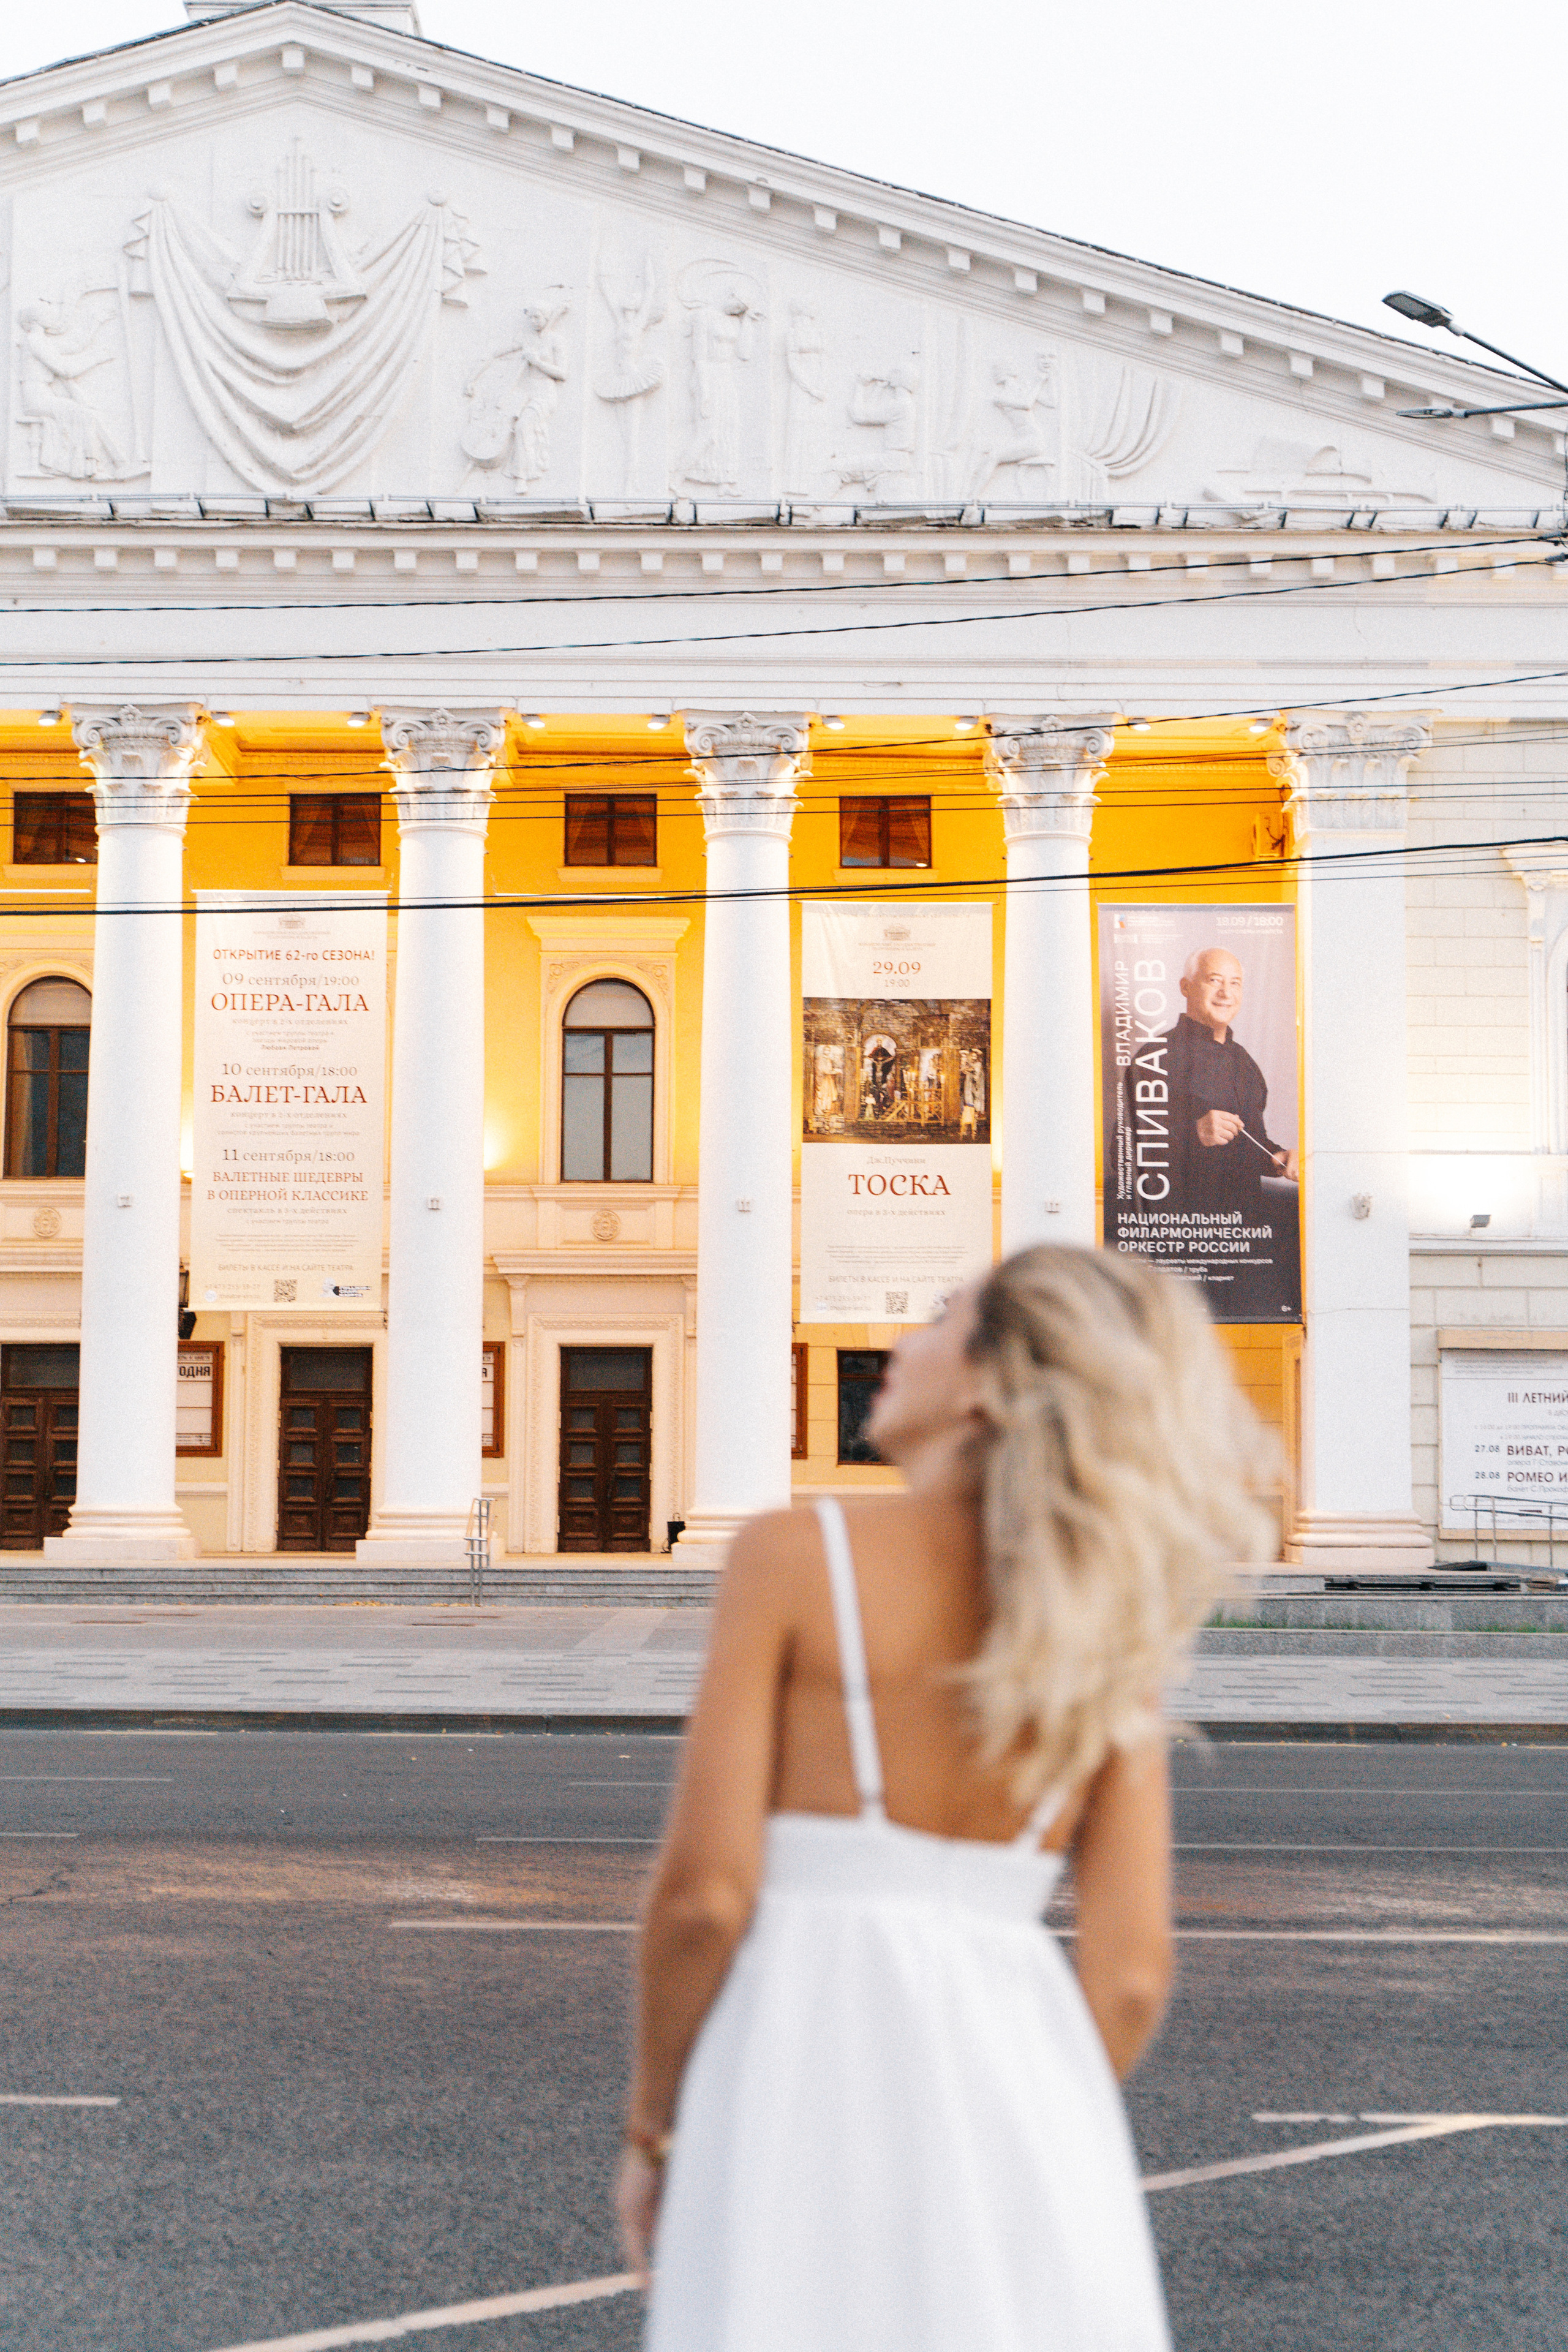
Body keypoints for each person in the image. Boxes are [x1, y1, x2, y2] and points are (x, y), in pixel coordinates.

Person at [616, 1244, 1272, 2350]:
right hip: (1020, 2103)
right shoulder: (1109, 1620)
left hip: (796, 2066)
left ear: (983, 1382)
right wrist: (1019, 2120)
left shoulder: (794, 1554)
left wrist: (655, 2132)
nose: (899, 1344)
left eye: (934, 1320)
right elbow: (1129, 1975)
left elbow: (706, 1899)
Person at [1133, 946, 1298, 1219]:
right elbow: (1123, 1151)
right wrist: (1194, 1132)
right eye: (1214, 980)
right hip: (1180, 1226)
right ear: (1186, 987)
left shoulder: (1246, 1063)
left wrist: (1276, 1159)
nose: (1226, 993)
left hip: (1244, 1226)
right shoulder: (1153, 1057)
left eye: (1235, 983)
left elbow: (1249, 1143)